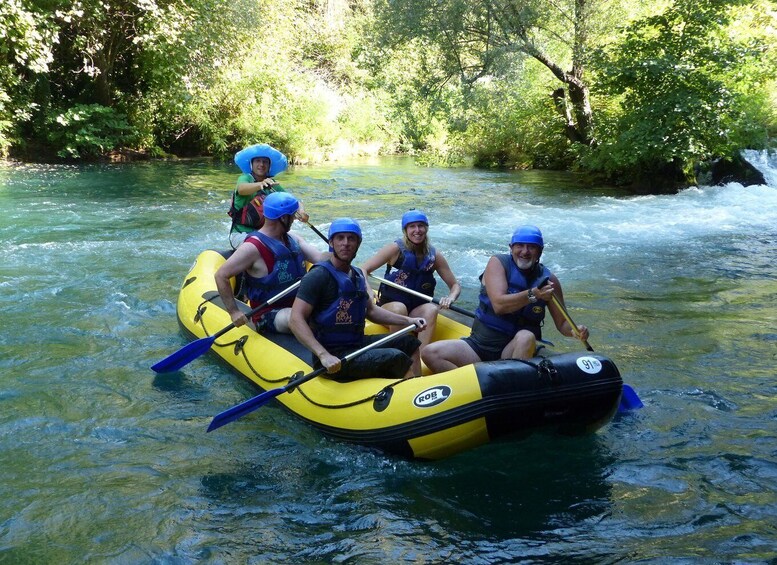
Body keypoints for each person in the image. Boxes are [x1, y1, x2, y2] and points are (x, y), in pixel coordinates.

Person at [422, 225, 590, 373]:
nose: (525, 251)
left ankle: (510, 385)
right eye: (520, 246)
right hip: (479, 347)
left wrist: (575, 330)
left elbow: (562, 324)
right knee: (430, 353)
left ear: (540, 251)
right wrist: (534, 295)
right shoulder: (497, 263)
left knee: (526, 336)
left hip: (513, 350)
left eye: (531, 247)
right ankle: (477, 388)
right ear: (511, 248)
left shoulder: (550, 281)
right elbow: (499, 305)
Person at [289, 218, 427, 380]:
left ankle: (419, 388)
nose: (345, 243)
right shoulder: (318, 276)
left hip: (356, 344)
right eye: (340, 238)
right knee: (395, 357)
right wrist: (323, 354)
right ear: (331, 243)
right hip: (332, 356)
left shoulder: (358, 275)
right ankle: (409, 395)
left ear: (358, 243)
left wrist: (408, 320)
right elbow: (295, 319)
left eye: (351, 238)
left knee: (409, 343)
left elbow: (372, 311)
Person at [215, 192, 327, 333]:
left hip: (301, 304)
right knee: (296, 317)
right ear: (283, 218)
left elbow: (320, 258)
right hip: (268, 313)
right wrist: (234, 312)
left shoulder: (293, 239)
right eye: (292, 216)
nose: (294, 219)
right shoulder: (252, 247)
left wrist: (339, 252)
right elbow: (221, 275)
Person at [361, 209, 461, 355]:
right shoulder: (395, 249)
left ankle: (421, 357)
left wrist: (450, 298)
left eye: (421, 226)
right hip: (390, 308)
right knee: (399, 307)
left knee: (431, 309)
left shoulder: (434, 256)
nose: (417, 230)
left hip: (415, 310)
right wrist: (369, 291)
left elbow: (455, 285)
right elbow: (363, 270)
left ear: (426, 228)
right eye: (412, 226)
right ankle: (400, 355)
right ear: (405, 230)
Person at [229, 143, 309, 249]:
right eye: (258, 161)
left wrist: (301, 211)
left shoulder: (271, 184)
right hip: (240, 234)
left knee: (297, 240)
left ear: (269, 166)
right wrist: (260, 184)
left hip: (264, 234)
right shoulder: (245, 178)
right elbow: (241, 189)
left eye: (265, 162)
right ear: (251, 164)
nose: (261, 164)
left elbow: (292, 201)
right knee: (264, 246)